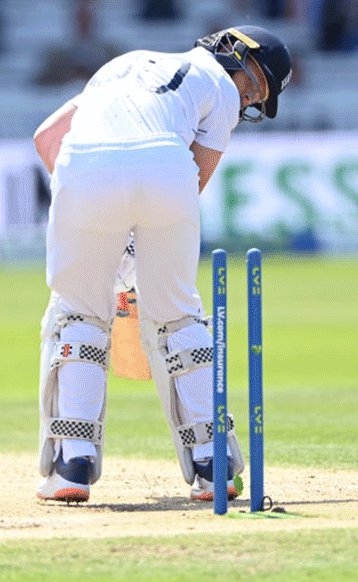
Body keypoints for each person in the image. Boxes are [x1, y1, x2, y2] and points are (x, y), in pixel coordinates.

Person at [31, 25, 292, 503]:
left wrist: (98, 224)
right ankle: (214, 465)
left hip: (84, 165)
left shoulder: (121, 66)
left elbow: (47, 138)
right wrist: (140, 246)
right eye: (253, 83)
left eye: (257, 96)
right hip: (167, 168)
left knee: (78, 310)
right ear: (232, 50)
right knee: (177, 312)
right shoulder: (216, 86)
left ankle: (72, 465)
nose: (249, 97)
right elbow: (193, 179)